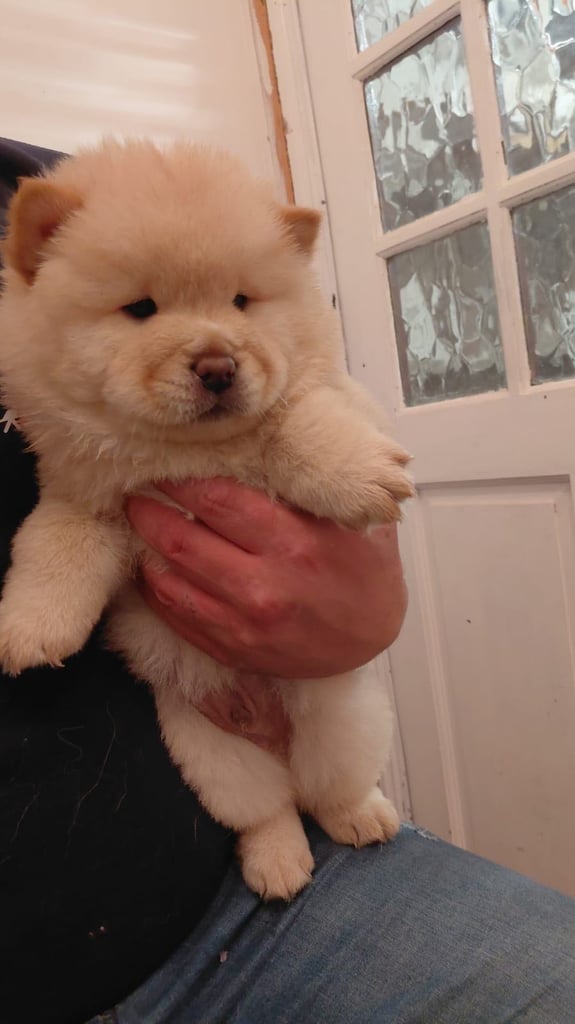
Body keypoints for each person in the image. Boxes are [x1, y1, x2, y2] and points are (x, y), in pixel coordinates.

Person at [1, 138, 574, 1024]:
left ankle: (336, 797)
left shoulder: (86, 186)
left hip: (217, 912)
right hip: (154, 798)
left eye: (241, 300)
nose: (213, 349)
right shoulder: (67, 342)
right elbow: (77, 514)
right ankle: (264, 821)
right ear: (33, 267)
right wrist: (49, 598)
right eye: (143, 307)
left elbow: (323, 415)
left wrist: (348, 537)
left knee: (341, 754)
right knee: (211, 748)